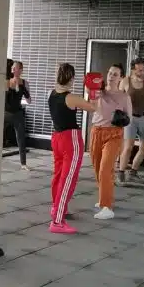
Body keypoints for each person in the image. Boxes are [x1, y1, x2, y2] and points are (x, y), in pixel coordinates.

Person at [49, 63, 97, 234]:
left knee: (59, 176)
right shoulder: (71, 98)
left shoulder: (52, 93)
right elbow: (93, 107)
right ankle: (57, 221)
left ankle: (56, 208)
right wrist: (92, 90)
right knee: (68, 179)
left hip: (57, 138)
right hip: (71, 140)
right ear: (71, 78)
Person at [89, 63, 132, 220]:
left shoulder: (124, 97)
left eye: (115, 74)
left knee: (105, 169)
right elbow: (91, 107)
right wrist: (91, 93)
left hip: (114, 134)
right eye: (110, 73)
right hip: (96, 131)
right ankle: (104, 197)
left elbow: (129, 118)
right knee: (97, 168)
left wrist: (121, 119)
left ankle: (107, 207)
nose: (111, 76)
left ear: (121, 78)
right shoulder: (98, 91)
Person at [119, 57, 144, 183]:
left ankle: (133, 172)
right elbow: (118, 99)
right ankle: (121, 174)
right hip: (130, 118)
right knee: (128, 147)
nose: (142, 72)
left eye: (143, 69)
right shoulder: (126, 81)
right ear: (133, 70)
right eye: (139, 70)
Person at [4, 60, 31, 170]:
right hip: (6, 113)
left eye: (15, 68)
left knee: (21, 138)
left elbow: (29, 101)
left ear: (20, 70)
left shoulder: (25, 83)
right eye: (12, 68)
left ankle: (23, 164)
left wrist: (25, 91)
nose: (13, 69)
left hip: (18, 114)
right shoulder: (7, 82)